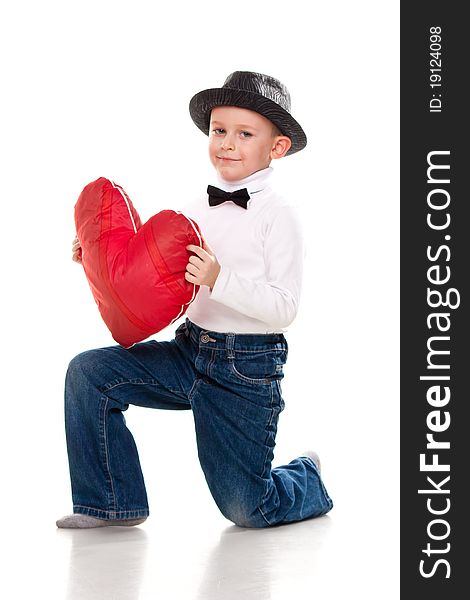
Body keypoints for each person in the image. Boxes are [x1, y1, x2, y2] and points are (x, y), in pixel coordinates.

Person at [57, 71, 333, 529]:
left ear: (277, 148)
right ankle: (110, 502)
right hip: (189, 351)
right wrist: (95, 256)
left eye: (245, 134)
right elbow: (149, 266)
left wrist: (218, 279)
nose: (226, 143)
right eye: (219, 131)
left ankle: (306, 477)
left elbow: (285, 308)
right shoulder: (196, 206)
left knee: (248, 509)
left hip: (245, 368)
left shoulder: (278, 215)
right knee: (88, 372)